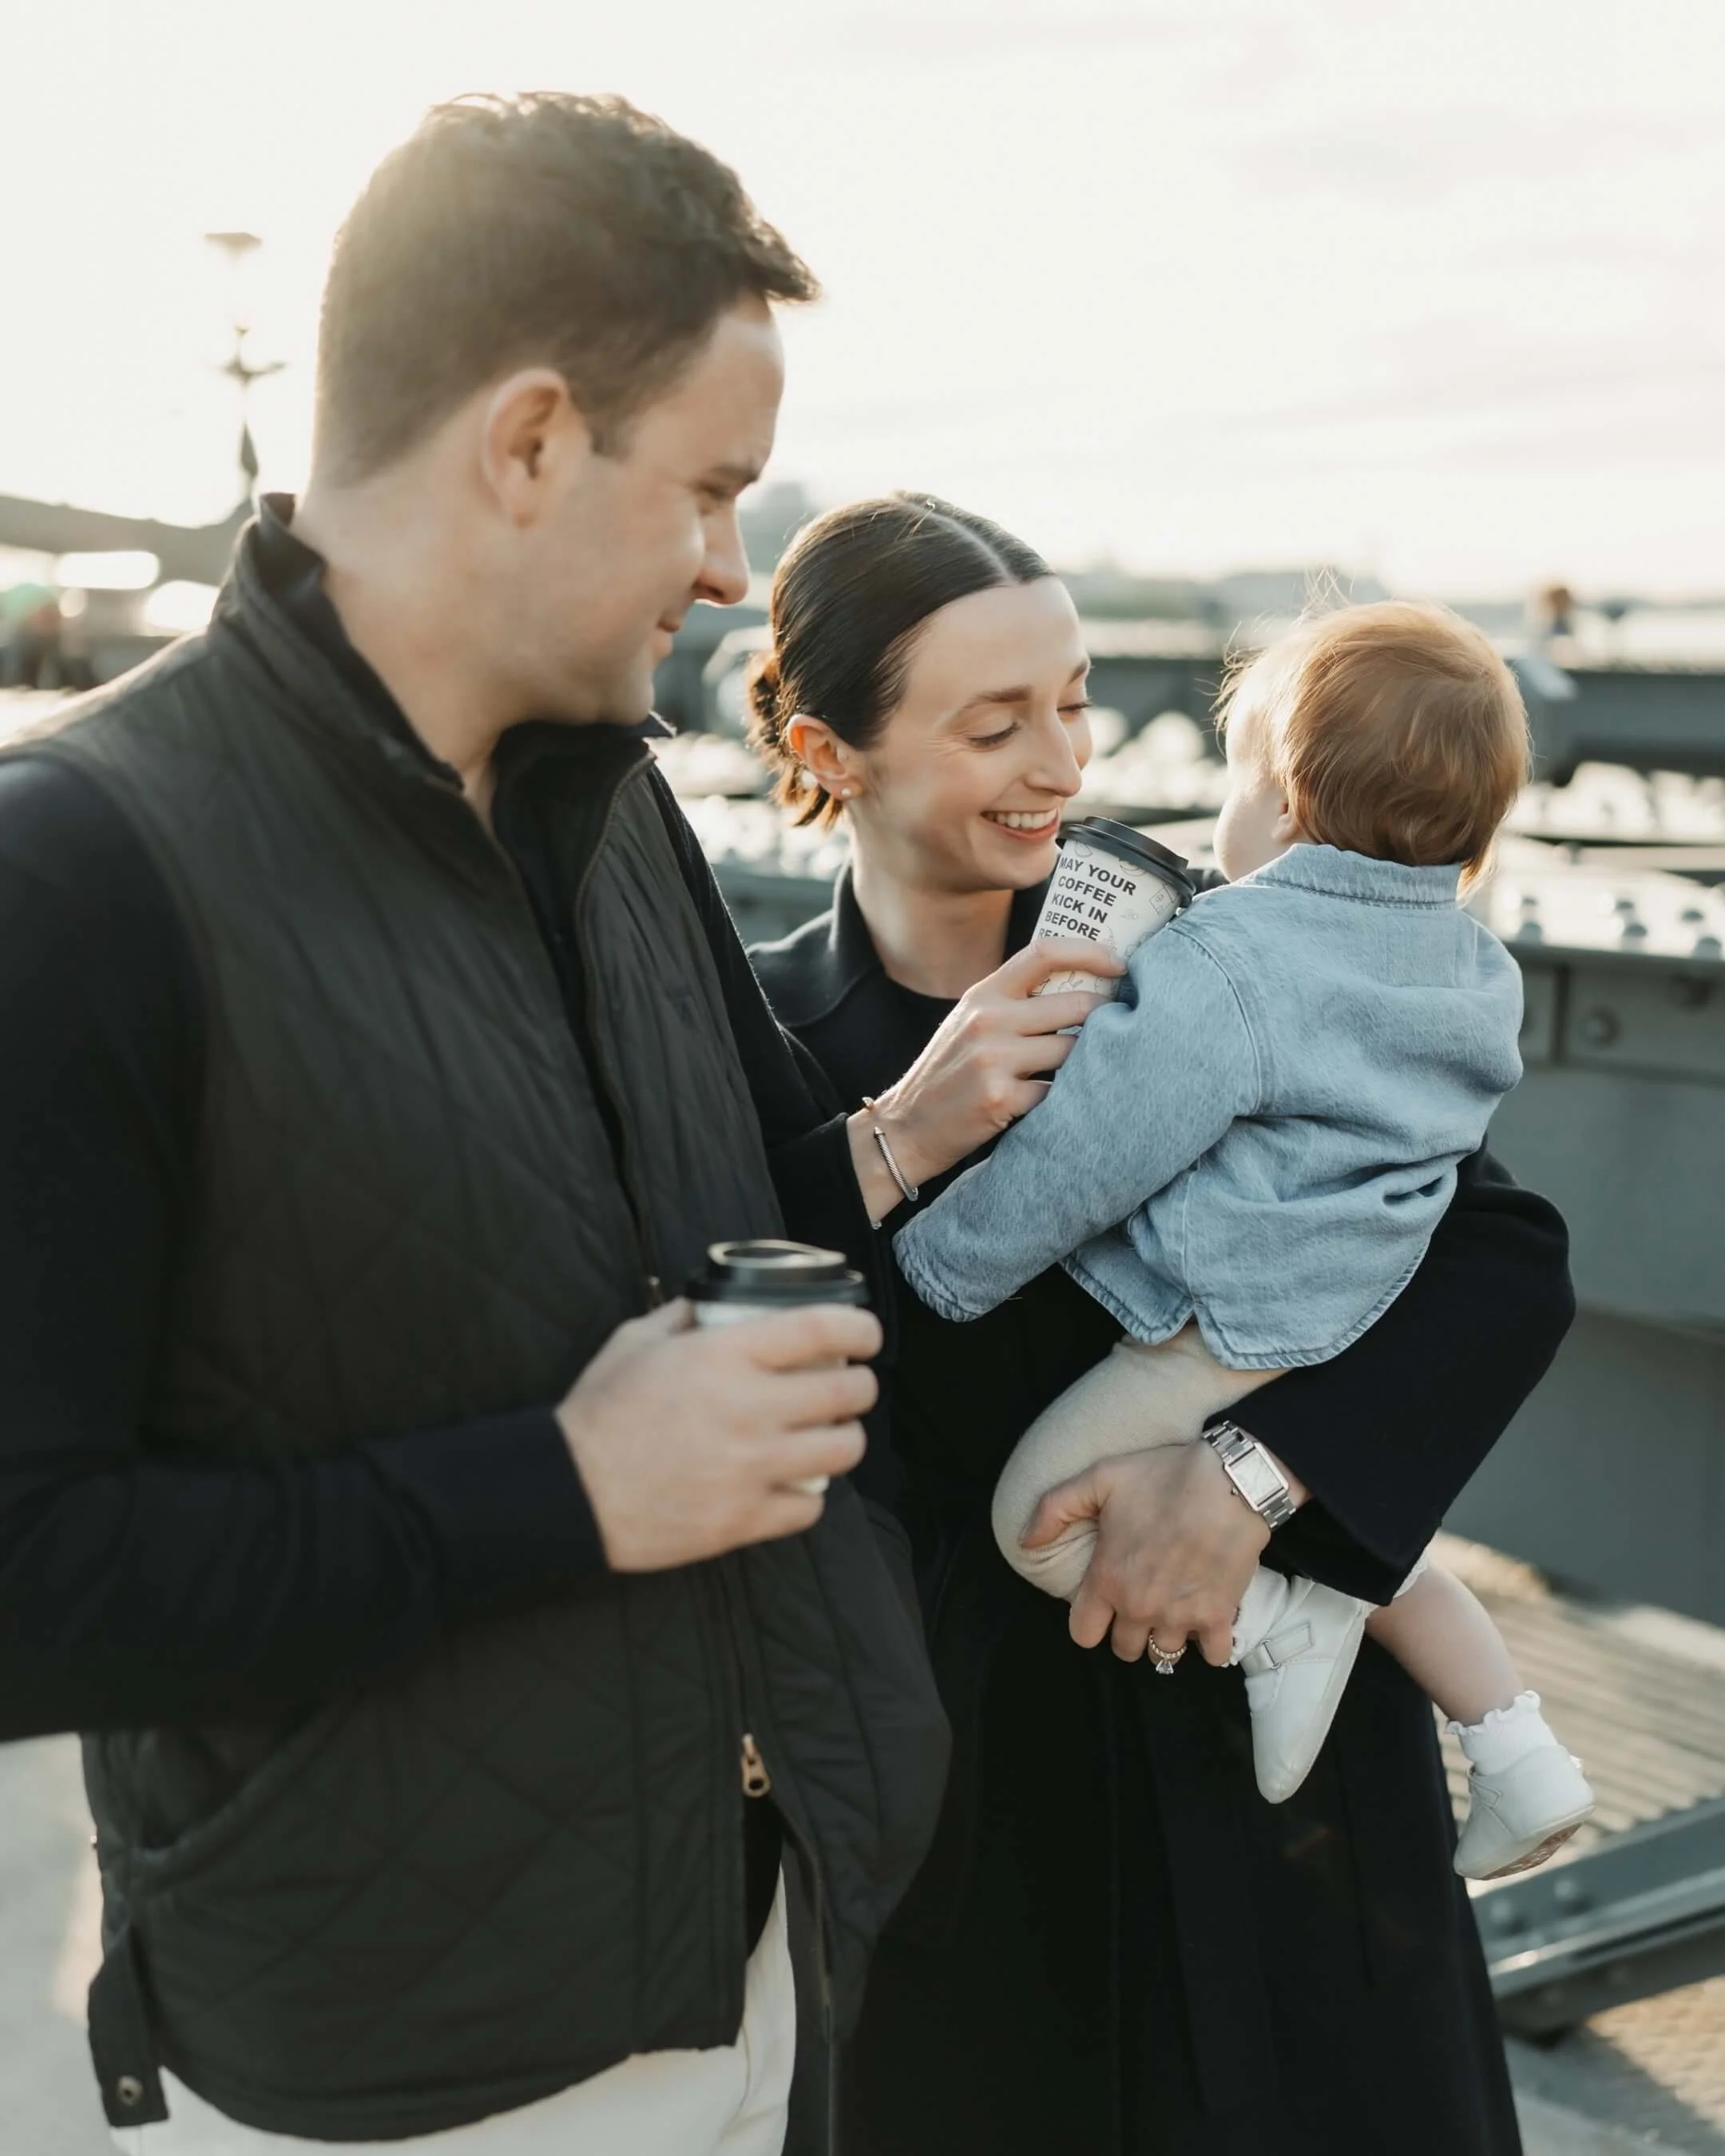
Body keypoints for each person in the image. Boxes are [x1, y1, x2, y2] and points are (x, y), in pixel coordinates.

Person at [0, 101, 1084, 2156]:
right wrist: (565, 1492)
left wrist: (902, 1136)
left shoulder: (622, 807)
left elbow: (745, 1224)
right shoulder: (76, 878)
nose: (728, 569)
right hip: (393, 2081)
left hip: (747, 1975)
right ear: (525, 442)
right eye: (707, 488)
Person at [748, 494, 1576, 2156]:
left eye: (1075, 700)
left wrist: (1251, 1485)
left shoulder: (1224, 936)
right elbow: (733, 1360)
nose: (1066, 763)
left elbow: (1505, 1258)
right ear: (833, 750)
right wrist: (901, 1141)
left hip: (1299, 1795)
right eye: (998, 725)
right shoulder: (764, 1032)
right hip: (993, 1819)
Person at [895, 600, 1596, 1881]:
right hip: (1352, 1318)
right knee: (1364, 1550)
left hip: (1216, 1320)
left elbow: (1091, 1151)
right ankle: (1517, 1746)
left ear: (1280, 801)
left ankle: (1277, 1621)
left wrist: (941, 1261)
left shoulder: (1228, 960)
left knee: (1039, 1521)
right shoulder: (1467, 969)